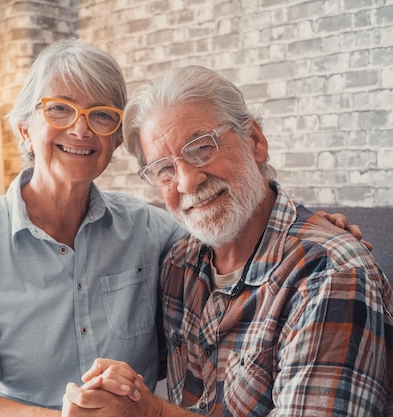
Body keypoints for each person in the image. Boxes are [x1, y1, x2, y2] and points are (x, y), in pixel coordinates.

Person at [62, 65, 393, 416]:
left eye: (202, 148)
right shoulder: (179, 263)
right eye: (165, 169)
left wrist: (151, 413)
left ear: (255, 140)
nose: (187, 182)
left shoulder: (330, 275)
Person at [0, 38, 186, 417]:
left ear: (115, 140)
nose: (81, 129)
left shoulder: (152, 230)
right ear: (25, 130)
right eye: (60, 109)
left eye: (101, 115)